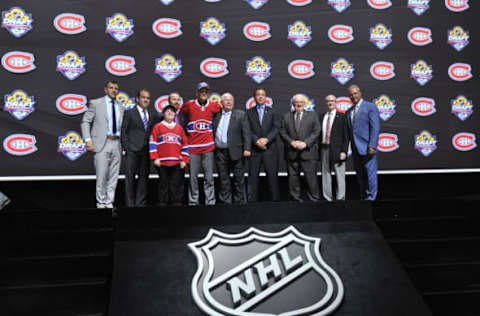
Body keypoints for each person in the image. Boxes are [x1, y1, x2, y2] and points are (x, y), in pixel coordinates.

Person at [81, 80, 125, 209]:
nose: (114, 90)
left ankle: (109, 202)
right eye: (111, 88)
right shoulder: (96, 103)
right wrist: (88, 140)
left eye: (116, 88)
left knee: (113, 176)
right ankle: (100, 202)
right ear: (106, 89)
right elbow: (85, 122)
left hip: (116, 142)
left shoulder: (121, 106)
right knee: (101, 175)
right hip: (102, 142)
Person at [179, 82, 221, 205]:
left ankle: (210, 202)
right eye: (201, 91)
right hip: (192, 148)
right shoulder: (189, 105)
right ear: (197, 93)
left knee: (209, 177)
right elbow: (181, 116)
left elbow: (219, 115)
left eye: (206, 91)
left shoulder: (214, 106)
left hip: (208, 148)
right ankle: (193, 202)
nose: (203, 93)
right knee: (193, 178)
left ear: (208, 93)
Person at [121, 89, 159, 207]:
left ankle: (140, 205)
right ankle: (130, 206)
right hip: (132, 150)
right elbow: (124, 131)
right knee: (130, 179)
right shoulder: (129, 112)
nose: (146, 100)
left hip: (146, 151)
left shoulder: (152, 115)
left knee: (143, 179)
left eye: (148, 98)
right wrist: (127, 147)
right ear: (137, 99)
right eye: (143, 97)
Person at [280, 94, 321, 202]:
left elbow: (316, 131)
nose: (299, 104)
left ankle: (314, 200)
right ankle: (295, 199)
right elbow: (282, 132)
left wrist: (306, 143)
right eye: (296, 102)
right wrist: (291, 142)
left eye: (301, 102)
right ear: (293, 104)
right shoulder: (286, 116)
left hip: (308, 152)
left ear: (305, 104)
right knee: (293, 180)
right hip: (292, 153)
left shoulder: (313, 115)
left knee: (311, 179)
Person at [213, 93, 251, 204]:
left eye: (231, 100)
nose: (229, 102)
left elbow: (246, 133)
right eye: (226, 100)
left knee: (239, 179)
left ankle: (240, 203)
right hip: (220, 152)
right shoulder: (216, 116)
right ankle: (226, 202)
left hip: (236, 151)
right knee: (223, 178)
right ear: (221, 103)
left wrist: (247, 148)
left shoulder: (240, 115)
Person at [346, 84, 380, 201]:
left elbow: (375, 128)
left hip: (367, 147)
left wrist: (372, 145)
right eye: (351, 95)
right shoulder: (349, 111)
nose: (353, 96)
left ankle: (372, 197)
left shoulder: (370, 107)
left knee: (370, 174)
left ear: (360, 93)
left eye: (355, 93)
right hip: (355, 149)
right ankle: (364, 196)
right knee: (360, 175)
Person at [149, 105, 189, 206]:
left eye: (172, 111)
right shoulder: (158, 127)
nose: (170, 113)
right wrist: (155, 158)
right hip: (162, 162)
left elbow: (185, 144)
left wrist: (184, 159)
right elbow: (153, 142)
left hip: (176, 162)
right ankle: (163, 204)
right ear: (163, 114)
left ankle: (176, 204)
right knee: (163, 184)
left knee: (175, 184)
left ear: (175, 114)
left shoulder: (179, 128)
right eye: (167, 111)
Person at [246, 87, 280, 202]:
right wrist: (256, 141)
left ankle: (275, 202)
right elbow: (247, 130)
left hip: (269, 150)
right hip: (254, 150)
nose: (260, 97)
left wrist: (266, 140)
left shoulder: (273, 111)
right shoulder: (248, 112)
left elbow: (276, 128)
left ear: (266, 97)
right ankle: (251, 203)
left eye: (263, 95)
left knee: (272, 178)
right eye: (258, 95)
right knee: (253, 178)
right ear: (254, 97)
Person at [320, 95, 349, 201]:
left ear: (336, 102)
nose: (330, 103)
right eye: (328, 101)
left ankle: (341, 198)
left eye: (332, 101)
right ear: (325, 103)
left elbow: (346, 136)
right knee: (326, 175)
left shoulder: (342, 117)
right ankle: (327, 198)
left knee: (340, 176)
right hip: (324, 149)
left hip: (338, 151)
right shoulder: (322, 116)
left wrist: (344, 151)